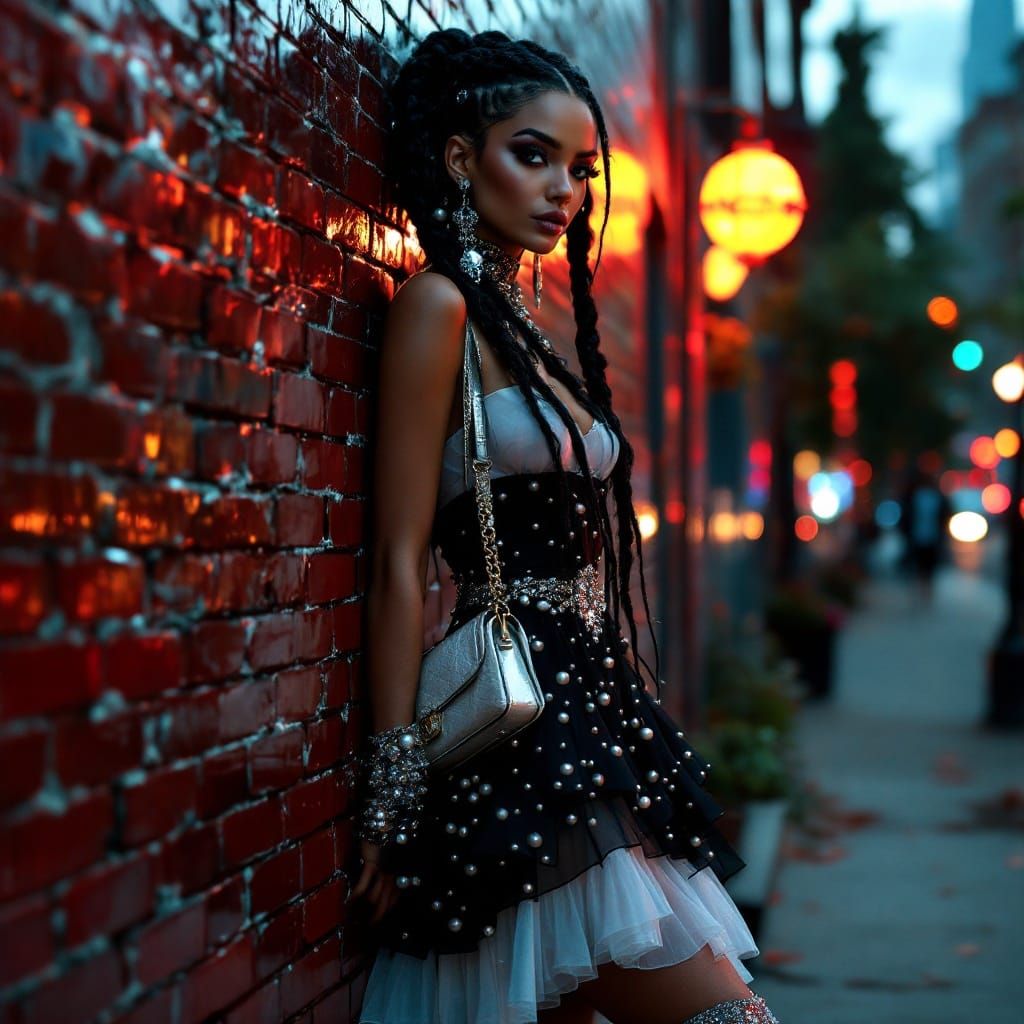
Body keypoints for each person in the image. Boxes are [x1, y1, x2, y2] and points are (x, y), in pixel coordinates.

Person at [351, 29, 780, 1024]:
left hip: (586, 708)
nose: (565, 193)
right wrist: (390, 800)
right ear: (461, 159)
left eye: (580, 169)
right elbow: (396, 562)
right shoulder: (436, 309)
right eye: (532, 155)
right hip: (517, 731)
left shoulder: (519, 327)